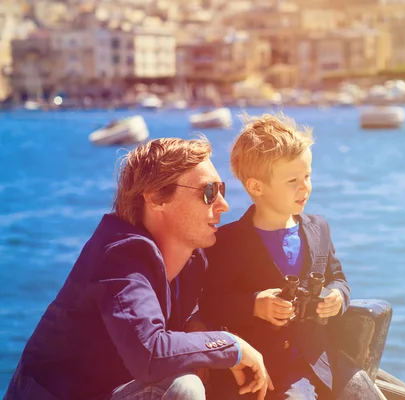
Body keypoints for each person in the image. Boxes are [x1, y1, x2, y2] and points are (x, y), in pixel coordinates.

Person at [4, 137, 273, 400]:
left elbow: (192, 316)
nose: (223, 205)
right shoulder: (121, 255)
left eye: (222, 190)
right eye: (208, 192)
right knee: (182, 388)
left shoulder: (192, 260)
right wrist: (232, 346)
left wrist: (202, 330)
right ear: (156, 198)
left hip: (114, 391)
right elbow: (151, 352)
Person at [197, 114, 383, 399]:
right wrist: (254, 305)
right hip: (268, 368)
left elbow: (339, 279)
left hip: (322, 360)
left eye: (307, 176)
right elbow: (210, 305)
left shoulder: (318, 228)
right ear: (256, 187)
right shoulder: (228, 242)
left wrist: (337, 297)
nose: (304, 186)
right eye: (293, 180)